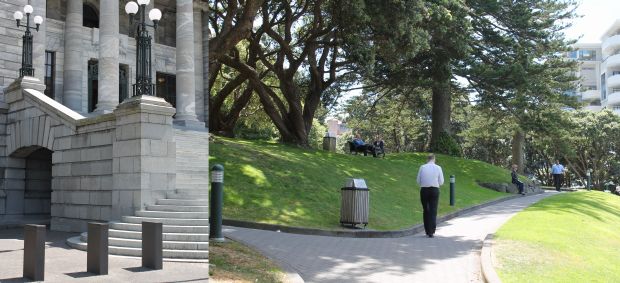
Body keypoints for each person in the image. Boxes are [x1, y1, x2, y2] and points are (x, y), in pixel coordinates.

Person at [416, 154, 444, 238]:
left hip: (424, 190)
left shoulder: (422, 167)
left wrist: (424, 183)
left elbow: (418, 180)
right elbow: (441, 182)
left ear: (427, 159)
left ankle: (427, 230)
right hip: (434, 190)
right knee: (433, 210)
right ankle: (431, 231)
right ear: (434, 159)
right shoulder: (438, 168)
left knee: (426, 209)